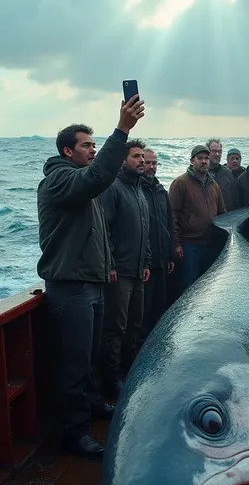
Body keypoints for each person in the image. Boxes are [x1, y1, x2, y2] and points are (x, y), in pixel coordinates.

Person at [36, 95, 145, 460]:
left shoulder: (85, 187)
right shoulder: (60, 182)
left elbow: (97, 234)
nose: (93, 151)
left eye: (95, 145)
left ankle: (92, 403)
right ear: (68, 151)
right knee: (75, 362)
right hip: (70, 288)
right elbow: (99, 176)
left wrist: (107, 265)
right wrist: (122, 129)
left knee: (90, 356)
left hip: (92, 283)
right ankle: (74, 432)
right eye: (87, 146)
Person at [100, 139, 152, 398]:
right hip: (119, 272)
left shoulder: (139, 189)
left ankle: (128, 371)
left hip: (137, 271)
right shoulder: (113, 188)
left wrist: (146, 261)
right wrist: (110, 265)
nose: (142, 160)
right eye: (136, 157)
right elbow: (104, 230)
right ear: (122, 161)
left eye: (143, 156)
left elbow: (145, 231)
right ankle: (112, 380)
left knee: (134, 325)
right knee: (115, 328)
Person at [169, 144, 226, 293]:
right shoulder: (180, 183)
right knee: (189, 287)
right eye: (199, 158)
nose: (204, 161)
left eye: (206, 158)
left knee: (208, 289)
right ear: (191, 161)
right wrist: (176, 243)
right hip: (189, 245)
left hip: (211, 244)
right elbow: (171, 214)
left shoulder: (214, 185)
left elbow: (222, 213)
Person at [139, 147, 176, 344]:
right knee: (142, 312)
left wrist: (171, 253)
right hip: (144, 263)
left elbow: (169, 223)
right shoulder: (137, 190)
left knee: (159, 307)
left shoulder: (161, 190)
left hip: (162, 260)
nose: (151, 166)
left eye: (154, 163)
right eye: (148, 162)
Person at [206, 138, 240, 211]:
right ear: (207, 152)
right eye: (214, 151)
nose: (217, 154)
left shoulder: (228, 173)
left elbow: (235, 199)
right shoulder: (200, 174)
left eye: (220, 151)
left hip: (225, 218)